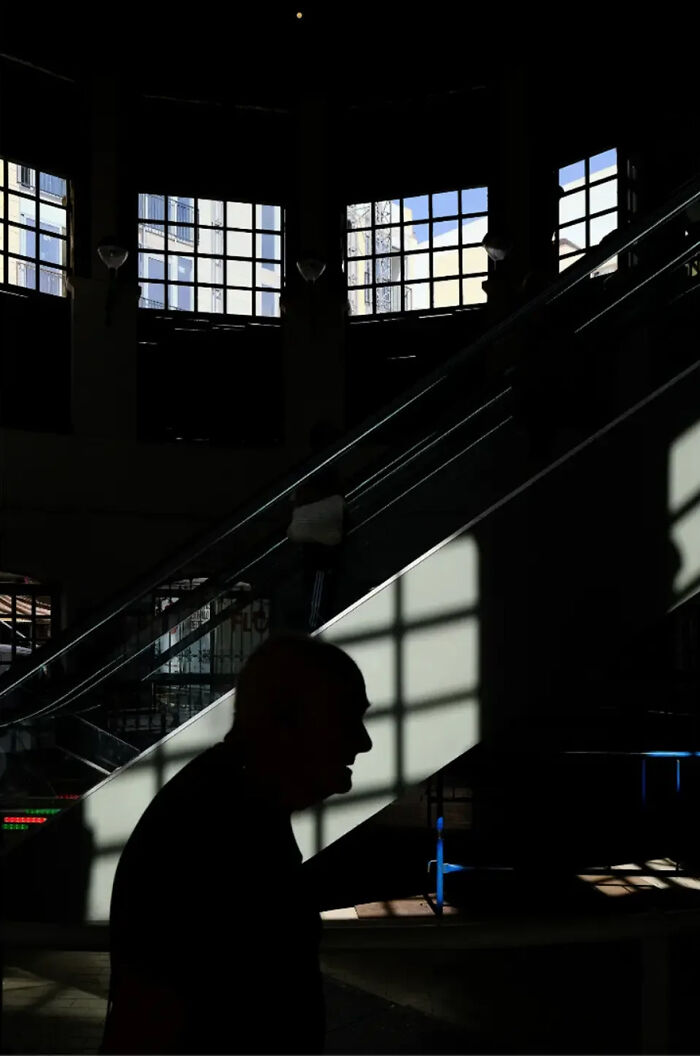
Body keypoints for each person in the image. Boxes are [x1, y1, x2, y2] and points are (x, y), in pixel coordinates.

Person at [101, 633, 372, 1055]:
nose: (363, 741)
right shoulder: (219, 838)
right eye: (346, 718)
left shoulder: (218, 811)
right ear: (283, 723)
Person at [287, 421, 347, 631]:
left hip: (317, 549)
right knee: (318, 597)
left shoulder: (317, 467)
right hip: (321, 551)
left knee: (317, 594)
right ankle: (315, 629)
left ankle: (314, 628)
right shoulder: (324, 469)